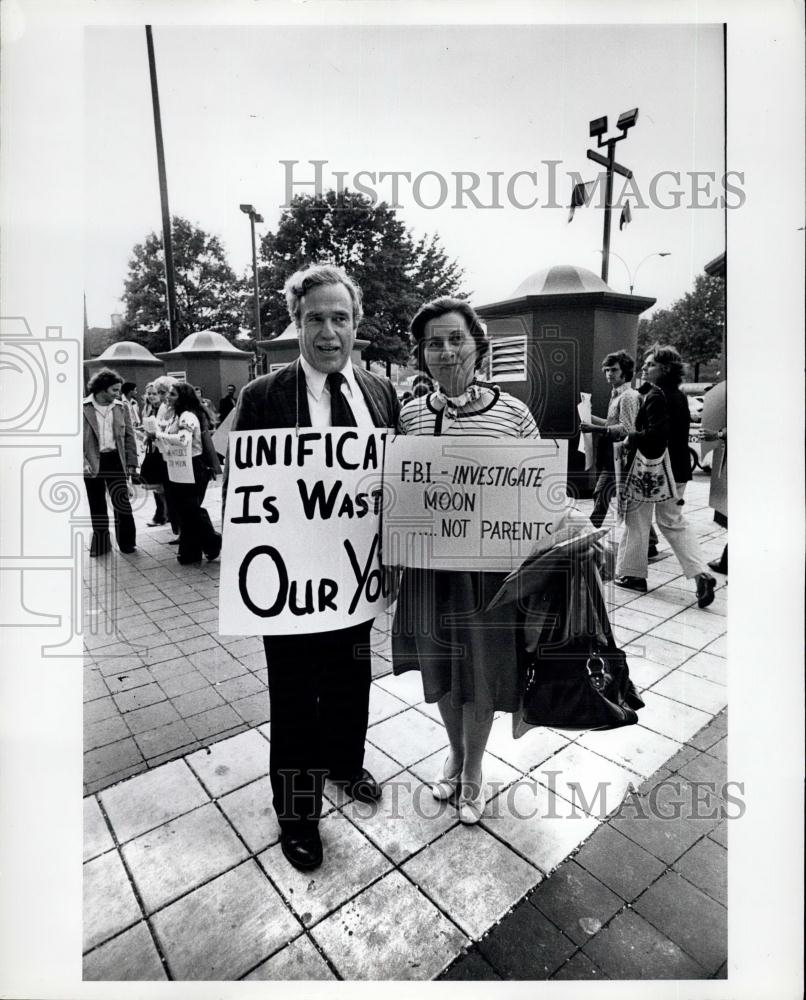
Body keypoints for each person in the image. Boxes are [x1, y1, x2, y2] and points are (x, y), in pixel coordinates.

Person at [226, 263, 400, 872]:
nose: (329, 332)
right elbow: (243, 492)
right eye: (315, 319)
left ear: (356, 324)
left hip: (357, 580)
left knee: (354, 679)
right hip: (292, 589)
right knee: (296, 699)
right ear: (296, 324)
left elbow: (394, 486)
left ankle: (345, 765)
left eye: (340, 318)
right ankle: (297, 816)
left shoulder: (381, 393)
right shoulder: (262, 397)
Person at [391, 297, 540, 825]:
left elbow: (537, 492)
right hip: (430, 570)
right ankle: (454, 751)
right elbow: (397, 491)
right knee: (443, 671)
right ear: (422, 354)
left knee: (482, 673)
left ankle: (474, 768)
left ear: (478, 345)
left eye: (456, 339)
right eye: (434, 342)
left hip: (489, 573)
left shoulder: (513, 413)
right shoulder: (409, 413)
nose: (446, 350)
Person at [613, 344, 716, 608]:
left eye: (650, 364)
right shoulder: (678, 395)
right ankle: (700, 572)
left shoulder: (656, 396)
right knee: (673, 521)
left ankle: (632, 575)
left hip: (653, 471)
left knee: (637, 519)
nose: (645, 367)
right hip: (679, 469)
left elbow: (657, 435)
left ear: (665, 368)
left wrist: (630, 438)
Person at [580, 350, 660, 556]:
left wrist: (594, 429)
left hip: (621, 457)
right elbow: (612, 424)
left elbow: (626, 429)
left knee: (601, 494)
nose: (609, 374)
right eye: (606, 370)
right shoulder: (616, 394)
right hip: (611, 455)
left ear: (625, 371)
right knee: (628, 498)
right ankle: (650, 541)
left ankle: (586, 536)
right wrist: (589, 418)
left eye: (613, 370)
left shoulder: (628, 396)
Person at [155, 382, 222, 566]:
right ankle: (191, 552)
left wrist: (159, 436)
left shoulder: (187, 416)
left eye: (173, 394)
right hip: (180, 466)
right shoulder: (176, 416)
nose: (168, 397)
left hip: (193, 466)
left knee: (190, 508)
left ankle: (211, 541)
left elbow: (184, 440)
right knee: (186, 510)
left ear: (182, 398)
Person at [83, 368, 137, 556]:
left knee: (122, 503)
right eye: (114, 390)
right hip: (92, 460)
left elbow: (129, 435)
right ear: (102, 389)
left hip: (115, 459)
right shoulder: (83, 408)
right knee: (96, 504)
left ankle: (127, 543)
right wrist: (81, 461)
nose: (118, 394)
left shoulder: (121, 407)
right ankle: (101, 544)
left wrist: (132, 461)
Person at [139, 381, 169, 527]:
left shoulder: (165, 409)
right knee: (156, 485)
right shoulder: (148, 409)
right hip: (152, 449)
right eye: (149, 393)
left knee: (164, 484)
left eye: (154, 393)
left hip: (163, 449)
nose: (151, 396)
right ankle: (161, 514)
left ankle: (165, 514)